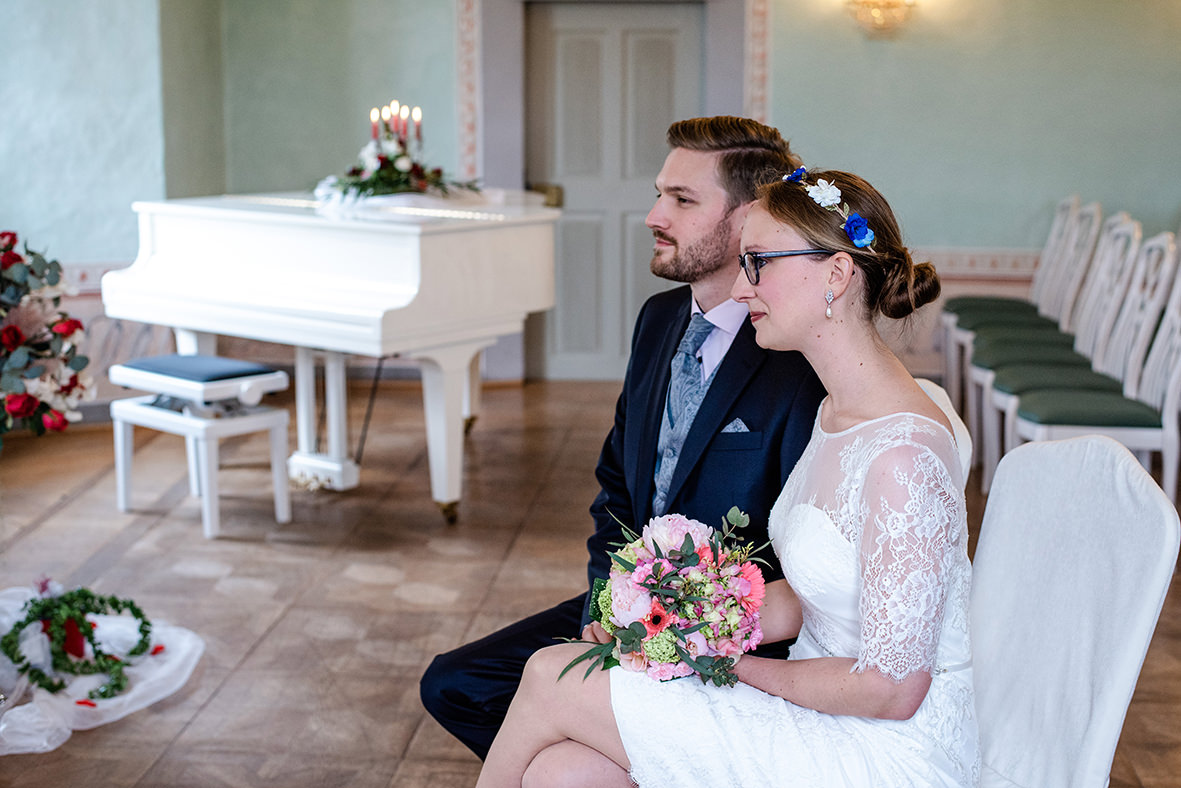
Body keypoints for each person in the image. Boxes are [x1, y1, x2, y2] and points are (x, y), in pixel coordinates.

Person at [474, 168, 980, 787]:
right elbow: (819, 596)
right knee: (565, 772)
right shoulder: (836, 411)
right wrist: (664, 626)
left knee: (553, 674)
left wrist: (724, 664)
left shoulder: (903, 456)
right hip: (819, 702)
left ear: (836, 274)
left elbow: (892, 688)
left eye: (759, 262)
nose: (741, 288)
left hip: (882, 747)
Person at [419, 117, 826, 759]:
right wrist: (605, 608)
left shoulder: (796, 356)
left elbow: (805, 548)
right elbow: (618, 488)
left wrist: (683, 627)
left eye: (682, 200)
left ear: (750, 217)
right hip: (629, 601)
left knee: (561, 746)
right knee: (456, 684)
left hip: (726, 631)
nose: (652, 215)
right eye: (660, 192)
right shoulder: (659, 319)